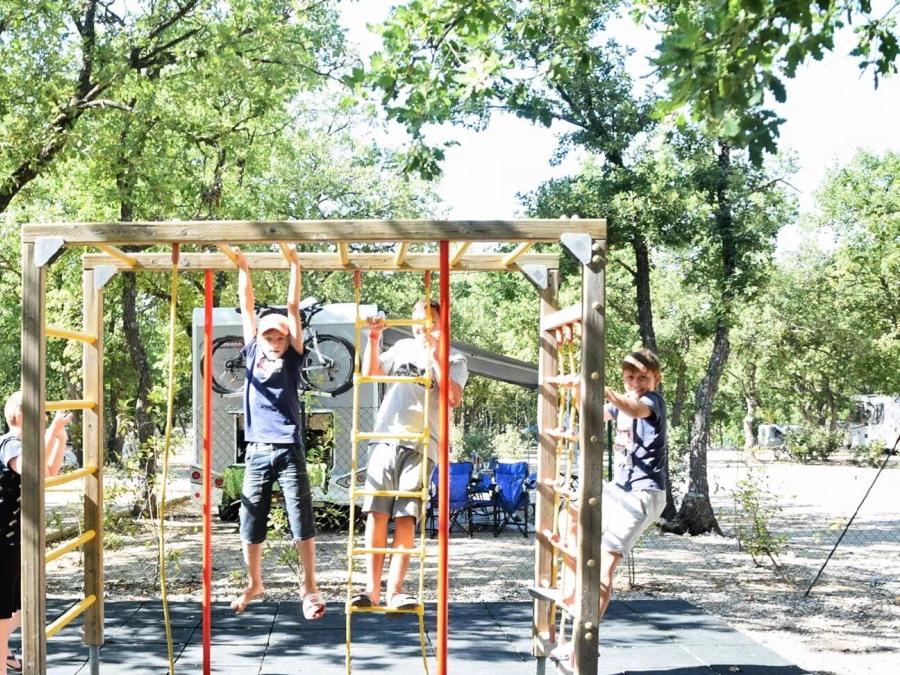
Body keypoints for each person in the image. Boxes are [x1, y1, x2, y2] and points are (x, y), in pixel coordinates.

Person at [350, 299, 468, 610]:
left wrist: (435, 353)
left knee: (406, 516)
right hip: (385, 437)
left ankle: (395, 591)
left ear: (441, 323)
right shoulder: (402, 347)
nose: (421, 327)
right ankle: (371, 589)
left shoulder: (454, 357)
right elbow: (372, 373)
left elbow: (452, 397)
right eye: (417, 321)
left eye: (428, 321)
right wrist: (373, 337)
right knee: (376, 513)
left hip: (422, 443)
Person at [551, 348, 667, 662]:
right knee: (570, 517)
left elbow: (637, 409)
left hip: (643, 494)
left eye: (643, 377)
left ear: (656, 379)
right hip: (619, 489)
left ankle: (582, 641)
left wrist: (613, 395)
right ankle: (572, 588)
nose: (637, 383)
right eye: (631, 377)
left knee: (603, 567)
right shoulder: (621, 403)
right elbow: (591, 414)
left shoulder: (652, 401)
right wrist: (579, 390)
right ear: (623, 377)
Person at [228, 247, 324, 621]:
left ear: (287, 340)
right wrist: (244, 268)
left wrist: (295, 265)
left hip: (287, 448)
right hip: (256, 450)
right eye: (268, 336)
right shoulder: (253, 351)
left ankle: (309, 587)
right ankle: (254, 583)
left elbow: (293, 307)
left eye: (279, 337)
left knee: (301, 518)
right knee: (250, 518)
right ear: (260, 337)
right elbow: (246, 305)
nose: (273, 341)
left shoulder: (294, 357)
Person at [1, 392, 73, 674]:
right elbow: (30, 468)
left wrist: (60, 438)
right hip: (3, 539)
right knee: (5, 612)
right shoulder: (9, 445)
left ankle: (3, 648)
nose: (44, 420)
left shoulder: (24, 446)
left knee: (23, 605)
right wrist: (51, 431)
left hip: (16, 538)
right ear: (21, 417)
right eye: (40, 416)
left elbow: (47, 471)